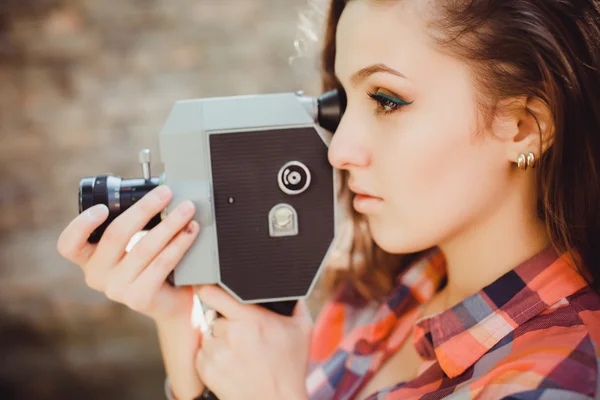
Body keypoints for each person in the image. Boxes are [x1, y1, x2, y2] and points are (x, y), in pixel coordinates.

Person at [57, 0, 600, 398]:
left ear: (524, 126)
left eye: (387, 101)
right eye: (342, 105)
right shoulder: (368, 291)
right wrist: (184, 330)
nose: (337, 149)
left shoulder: (562, 375)